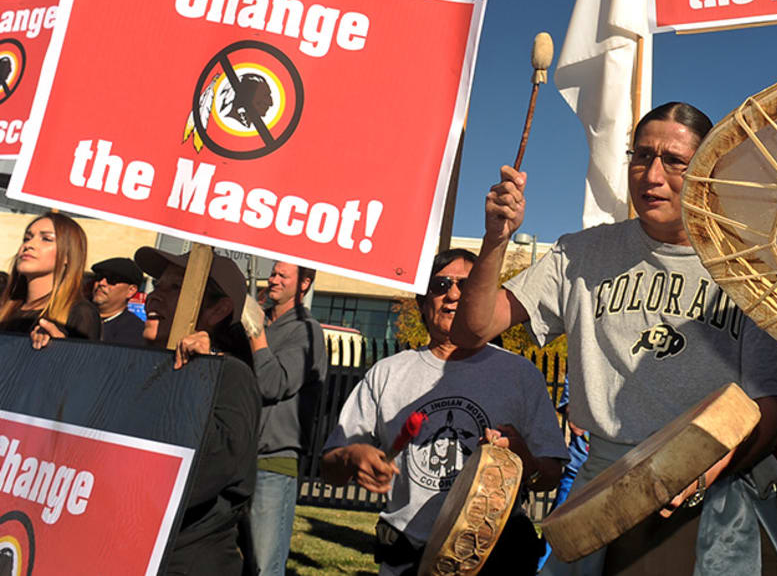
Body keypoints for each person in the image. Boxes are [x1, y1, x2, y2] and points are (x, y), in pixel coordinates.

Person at [453, 101, 777, 574]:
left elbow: (770, 406)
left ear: (708, 170)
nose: (652, 175)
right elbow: (474, 328)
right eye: (641, 156)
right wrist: (496, 238)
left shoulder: (752, 269)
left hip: (715, 511)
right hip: (599, 500)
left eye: (674, 161)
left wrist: (706, 471)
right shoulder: (581, 254)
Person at [321, 249, 566, 576]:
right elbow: (329, 469)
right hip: (408, 557)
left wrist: (526, 464)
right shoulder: (387, 373)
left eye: (465, 285)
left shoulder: (520, 374)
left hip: (496, 555)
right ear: (423, 303)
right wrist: (351, 455)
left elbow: (550, 477)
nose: (452, 294)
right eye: (440, 285)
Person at [137, 246, 261, 576]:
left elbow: (212, 466)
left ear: (218, 309)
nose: (155, 296)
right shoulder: (142, 369)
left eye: (175, 287)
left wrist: (197, 376)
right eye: (156, 285)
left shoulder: (230, 375)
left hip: (188, 561)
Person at [248, 261, 328, 576]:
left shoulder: (307, 332)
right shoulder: (260, 323)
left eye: (284, 275)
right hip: (238, 458)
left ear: (304, 283)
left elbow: (273, 383)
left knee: (264, 565)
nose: (273, 279)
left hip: (273, 464)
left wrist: (255, 335)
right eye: (273, 273)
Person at [0, 211, 98, 345]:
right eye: (27, 238)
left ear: (68, 256)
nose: (28, 245)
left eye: (46, 239)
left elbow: (86, 363)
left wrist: (61, 348)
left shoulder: (80, 313)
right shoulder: (5, 306)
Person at [92, 256, 147, 346]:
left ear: (131, 290)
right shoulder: (74, 315)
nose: (101, 283)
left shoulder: (134, 330)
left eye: (112, 279)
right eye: (99, 277)